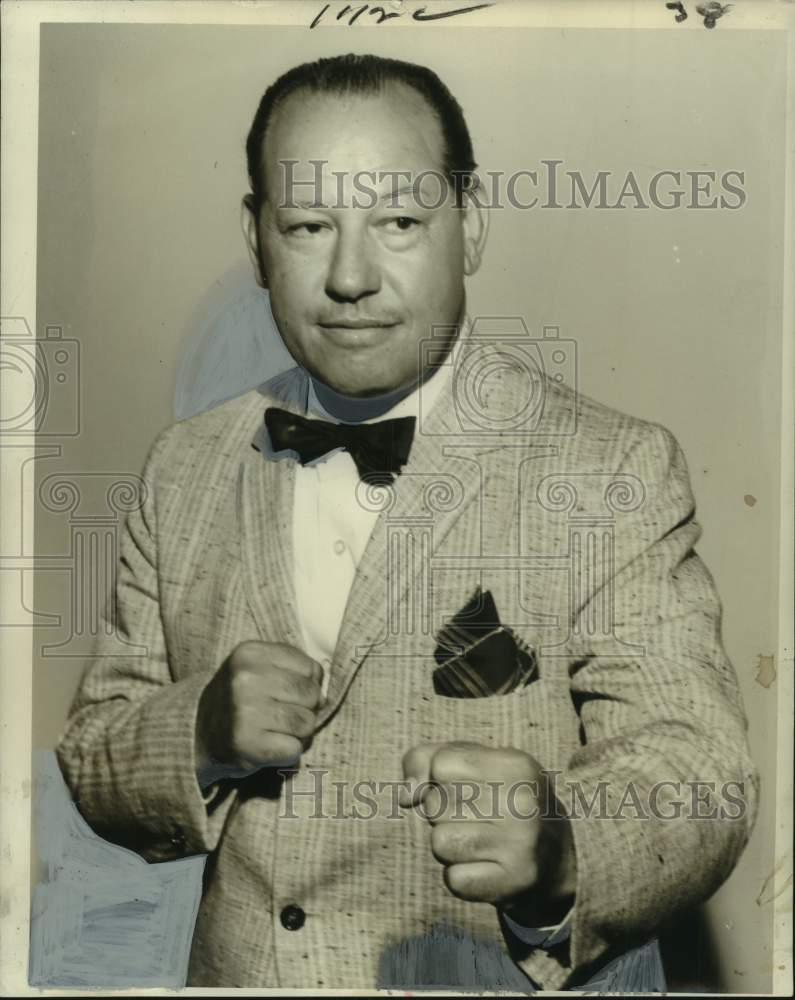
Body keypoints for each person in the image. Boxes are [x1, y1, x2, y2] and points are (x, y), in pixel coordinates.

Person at [56, 53, 758, 991]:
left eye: (398, 222)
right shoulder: (183, 466)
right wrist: (197, 734)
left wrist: (560, 846)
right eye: (308, 225)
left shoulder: (610, 468)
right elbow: (95, 751)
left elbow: (699, 770)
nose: (350, 276)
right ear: (257, 238)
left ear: (468, 228)